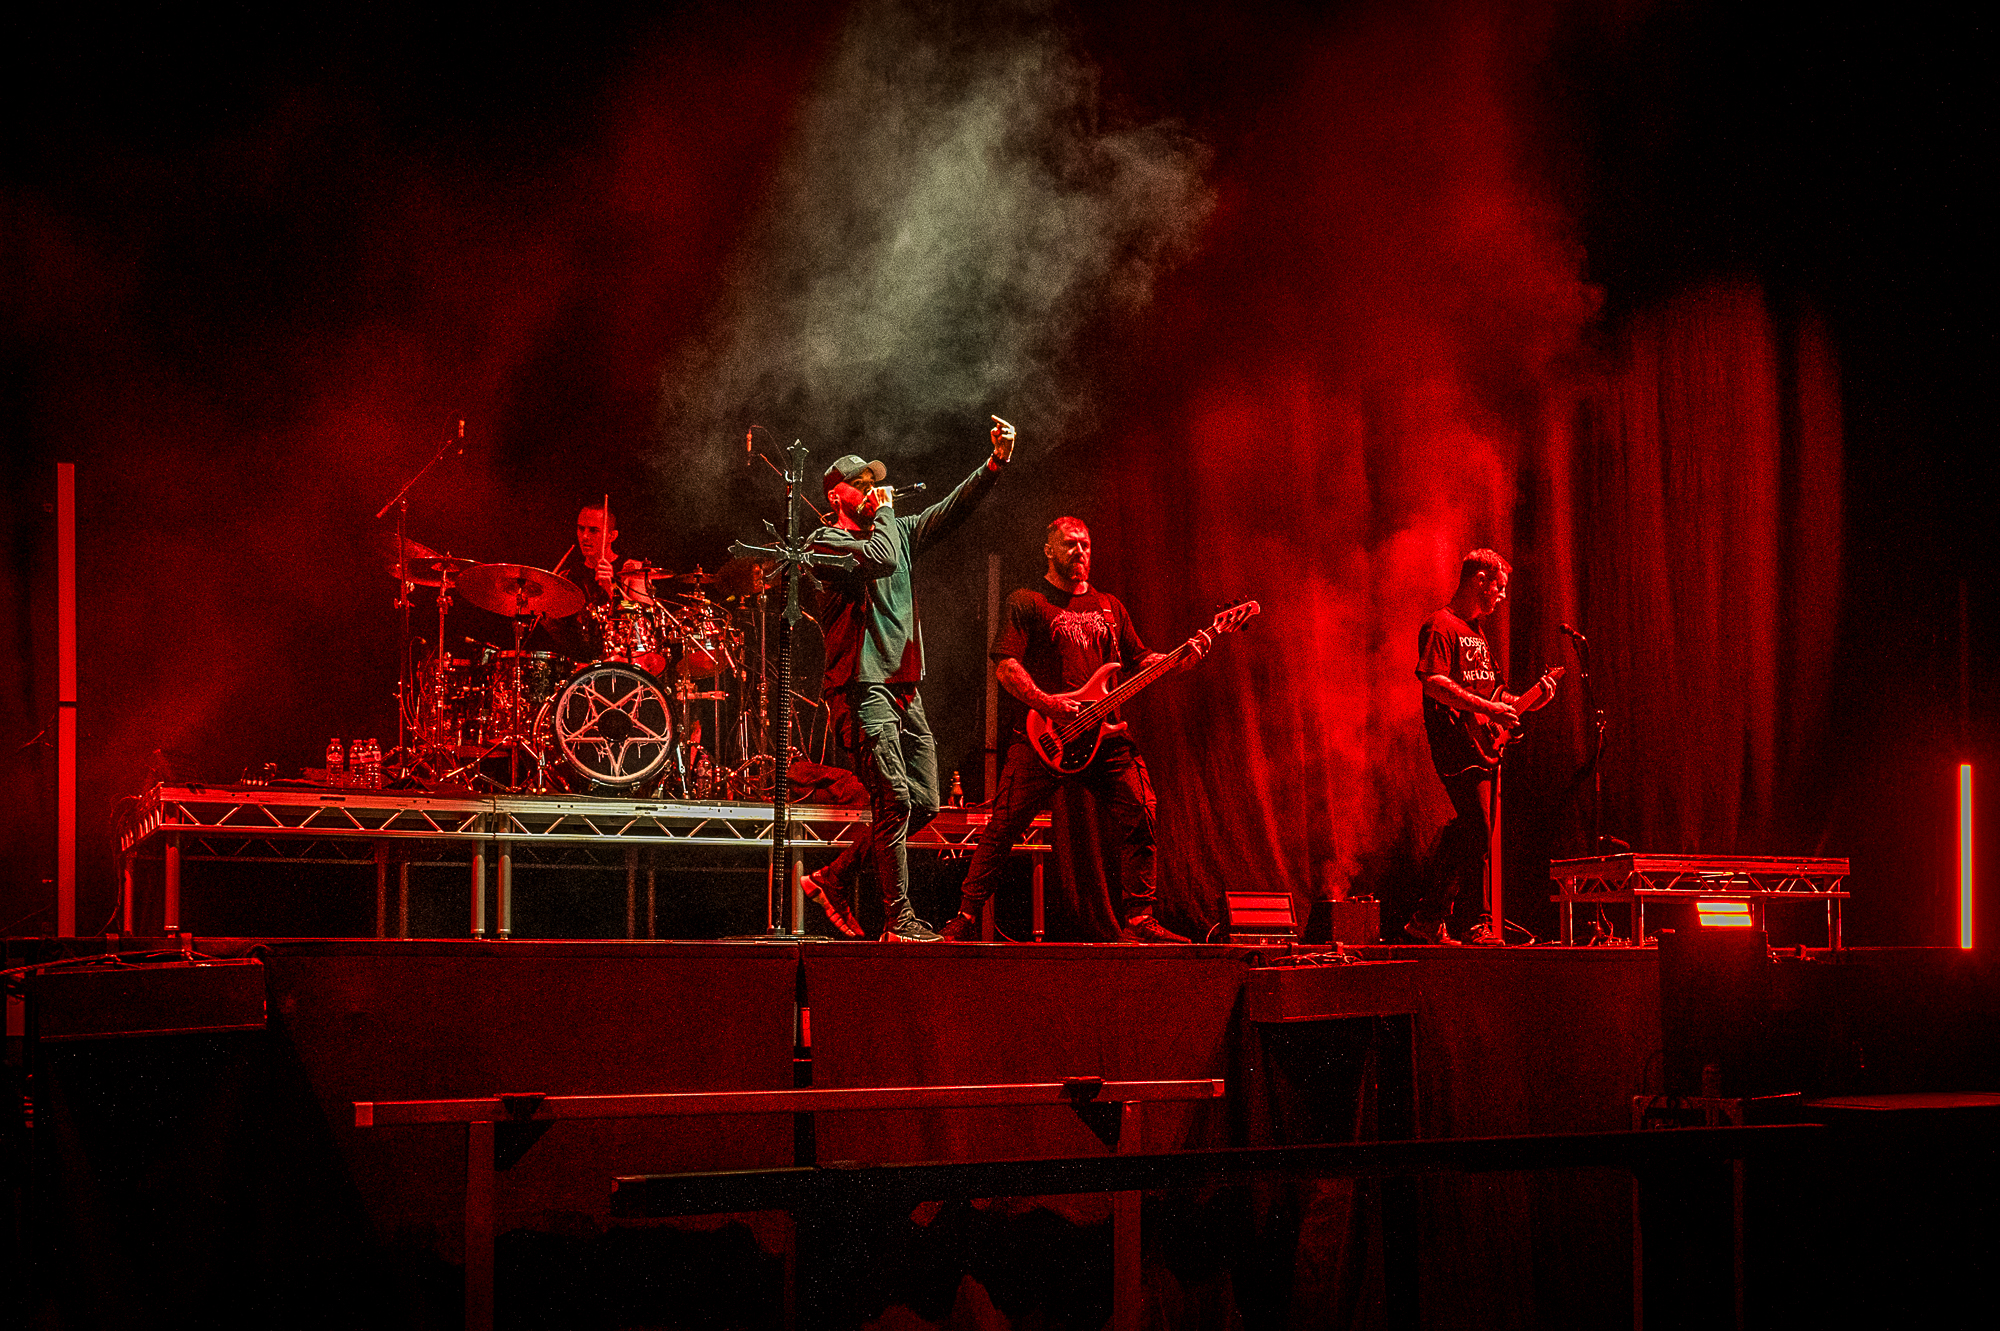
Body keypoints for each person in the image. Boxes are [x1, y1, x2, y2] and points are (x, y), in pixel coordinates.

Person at [800, 416, 1017, 942]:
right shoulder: (825, 542)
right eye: (861, 483)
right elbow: (877, 561)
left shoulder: (894, 530)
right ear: (835, 495)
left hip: (904, 685)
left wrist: (993, 464)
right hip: (861, 686)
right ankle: (899, 921)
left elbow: (950, 511)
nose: (872, 489)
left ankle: (834, 876)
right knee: (894, 799)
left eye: (874, 482)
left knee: (925, 801)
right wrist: (885, 513)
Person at [935, 517, 1198, 944]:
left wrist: (1178, 658)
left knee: (1143, 809)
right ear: (1049, 550)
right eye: (1071, 544)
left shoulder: (1110, 607)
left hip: (1104, 737)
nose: (1080, 552)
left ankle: (1138, 919)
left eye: (1086, 545)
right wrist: (1048, 704)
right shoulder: (1028, 601)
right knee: (1002, 827)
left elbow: (1140, 658)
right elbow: (1006, 666)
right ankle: (963, 919)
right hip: (1044, 735)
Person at [1410, 548, 1558, 945]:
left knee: (1473, 829)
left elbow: (1496, 694)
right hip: (1454, 742)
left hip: (1480, 746)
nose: (1503, 596)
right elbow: (1434, 682)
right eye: (1500, 586)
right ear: (1479, 580)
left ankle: (1429, 918)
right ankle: (1473, 922)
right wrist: (1487, 708)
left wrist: (1531, 700)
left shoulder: (1478, 635)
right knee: (1477, 827)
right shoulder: (1440, 625)